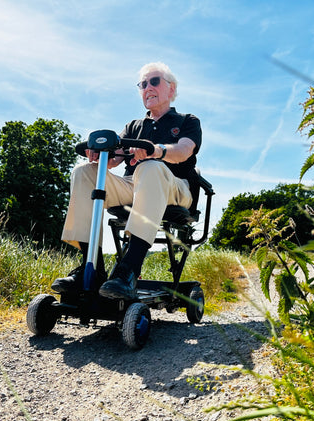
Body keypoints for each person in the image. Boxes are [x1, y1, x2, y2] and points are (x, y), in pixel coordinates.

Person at [52, 62, 202, 300]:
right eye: (143, 84)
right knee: (84, 172)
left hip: (175, 185)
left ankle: (129, 269)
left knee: (150, 167)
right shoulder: (134, 127)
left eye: (154, 81)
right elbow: (113, 159)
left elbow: (184, 150)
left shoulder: (187, 121)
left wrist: (157, 150)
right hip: (135, 185)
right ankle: (91, 267)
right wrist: (98, 155)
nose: (147, 88)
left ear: (171, 89)